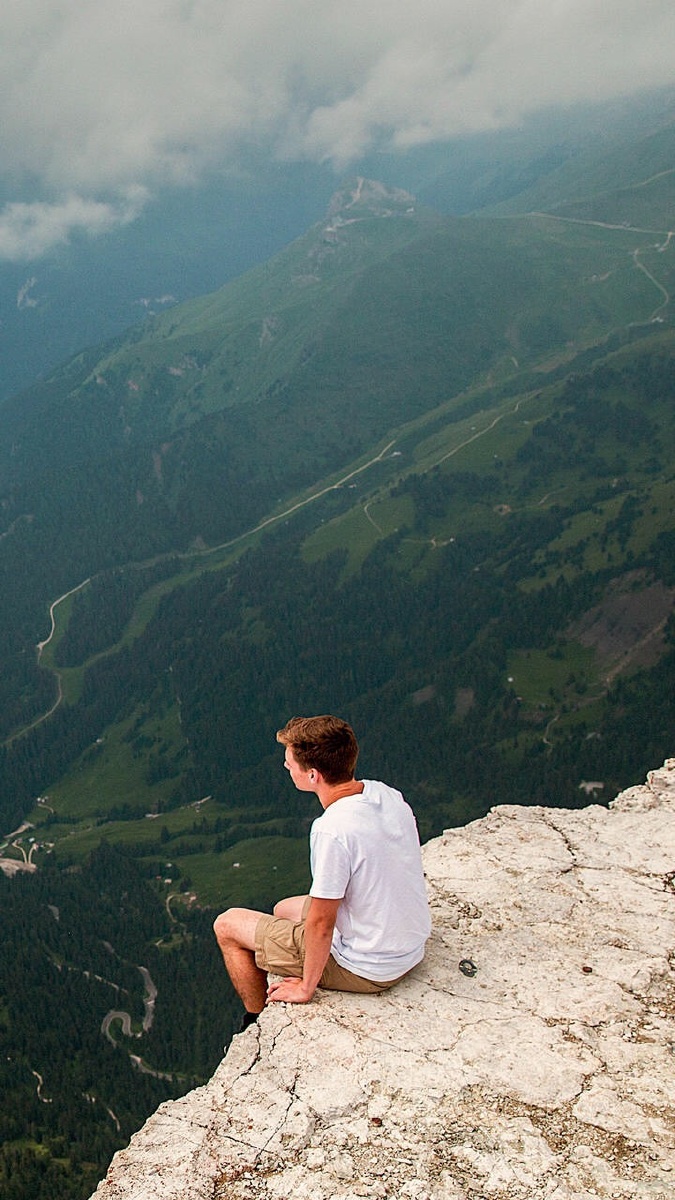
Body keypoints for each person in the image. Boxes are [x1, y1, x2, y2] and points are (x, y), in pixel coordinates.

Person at [213, 715, 431, 1027]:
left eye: (290, 763)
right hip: (407, 947)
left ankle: (256, 1022)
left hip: (368, 968)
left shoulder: (332, 829)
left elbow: (321, 924)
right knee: (283, 909)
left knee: (227, 925)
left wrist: (306, 987)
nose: (286, 766)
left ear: (313, 775)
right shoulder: (384, 794)